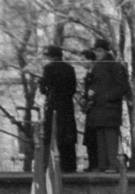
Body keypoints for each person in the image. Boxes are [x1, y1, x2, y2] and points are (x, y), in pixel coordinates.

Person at [83, 38, 129, 172]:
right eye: (96, 51)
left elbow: (123, 87)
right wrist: (89, 92)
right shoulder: (97, 67)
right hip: (99, 108)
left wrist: (107, 97)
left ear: (106, 51)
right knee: (101, 138)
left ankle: (113, 165)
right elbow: (93, 85)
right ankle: (103, 165)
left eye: (99, 51)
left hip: (109, 108)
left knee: (110, 138)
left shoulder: (116, 66)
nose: (97, 53)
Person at [40, 44, 77, 172]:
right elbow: (73, 89)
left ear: (51, 56)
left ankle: (52, 166)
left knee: (52, 134)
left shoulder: (48, 68)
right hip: (67, 106)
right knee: (67, 136)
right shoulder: (70, 68)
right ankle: (69, 166)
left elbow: (43, 89)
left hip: (53, 106)